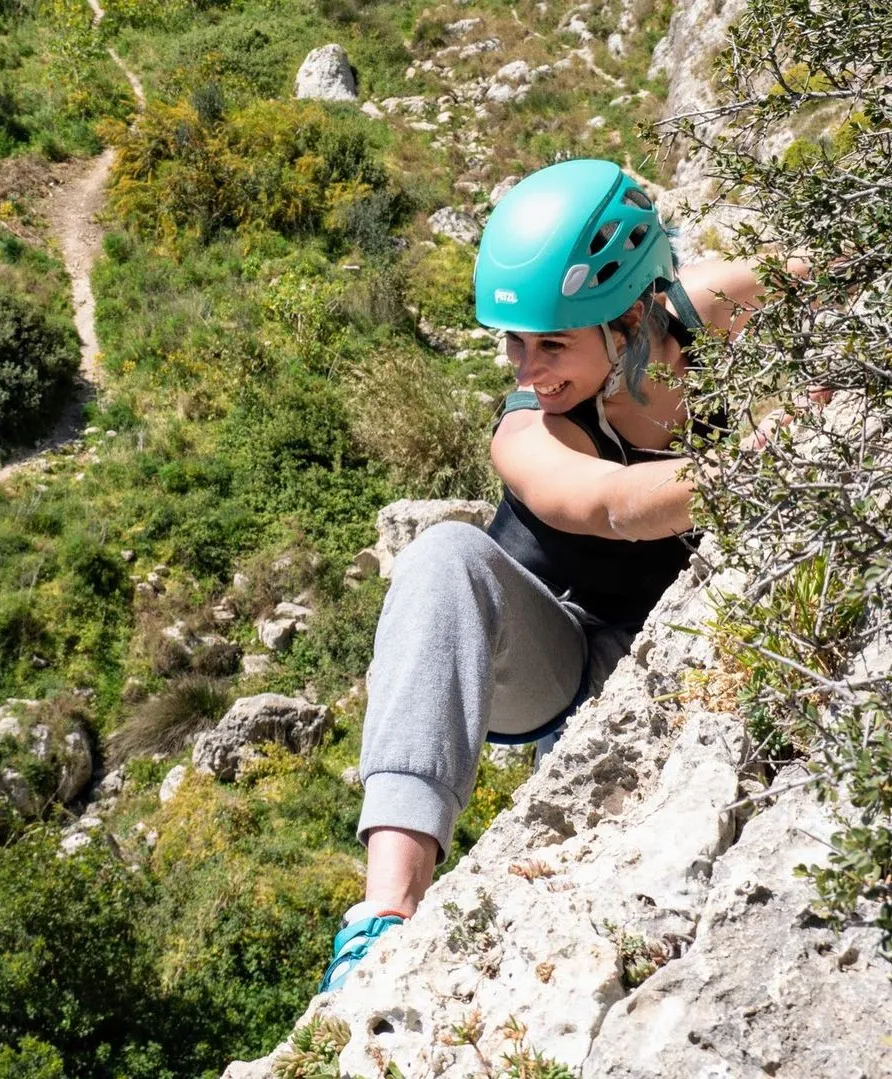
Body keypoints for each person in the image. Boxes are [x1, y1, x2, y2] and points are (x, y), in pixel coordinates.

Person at [319, 158, 779, 993]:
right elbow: (612, 503)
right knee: (441, 555)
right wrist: (759, 461)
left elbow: (824, 274)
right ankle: (382, 917)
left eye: (552, 343)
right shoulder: (528, 428)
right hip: (555, 659)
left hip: (681, 632)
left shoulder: (705, 311)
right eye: (515, 343)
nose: (528, 369)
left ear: (632, 315)